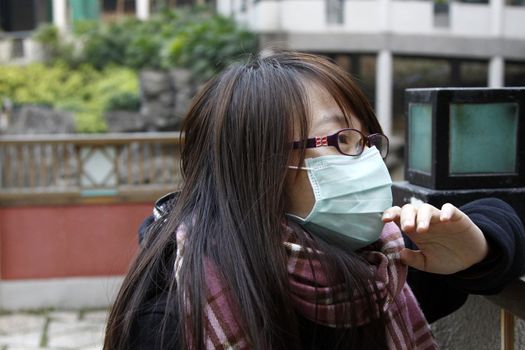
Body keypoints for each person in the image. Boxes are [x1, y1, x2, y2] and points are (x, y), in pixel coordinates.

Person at [103, 50, 525, 350]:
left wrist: (479, 249)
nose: (370, 160)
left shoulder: (379, 269)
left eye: (367, 140)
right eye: (343, 140)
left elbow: (494, 215)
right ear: (259, 166)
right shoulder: (173, 321)